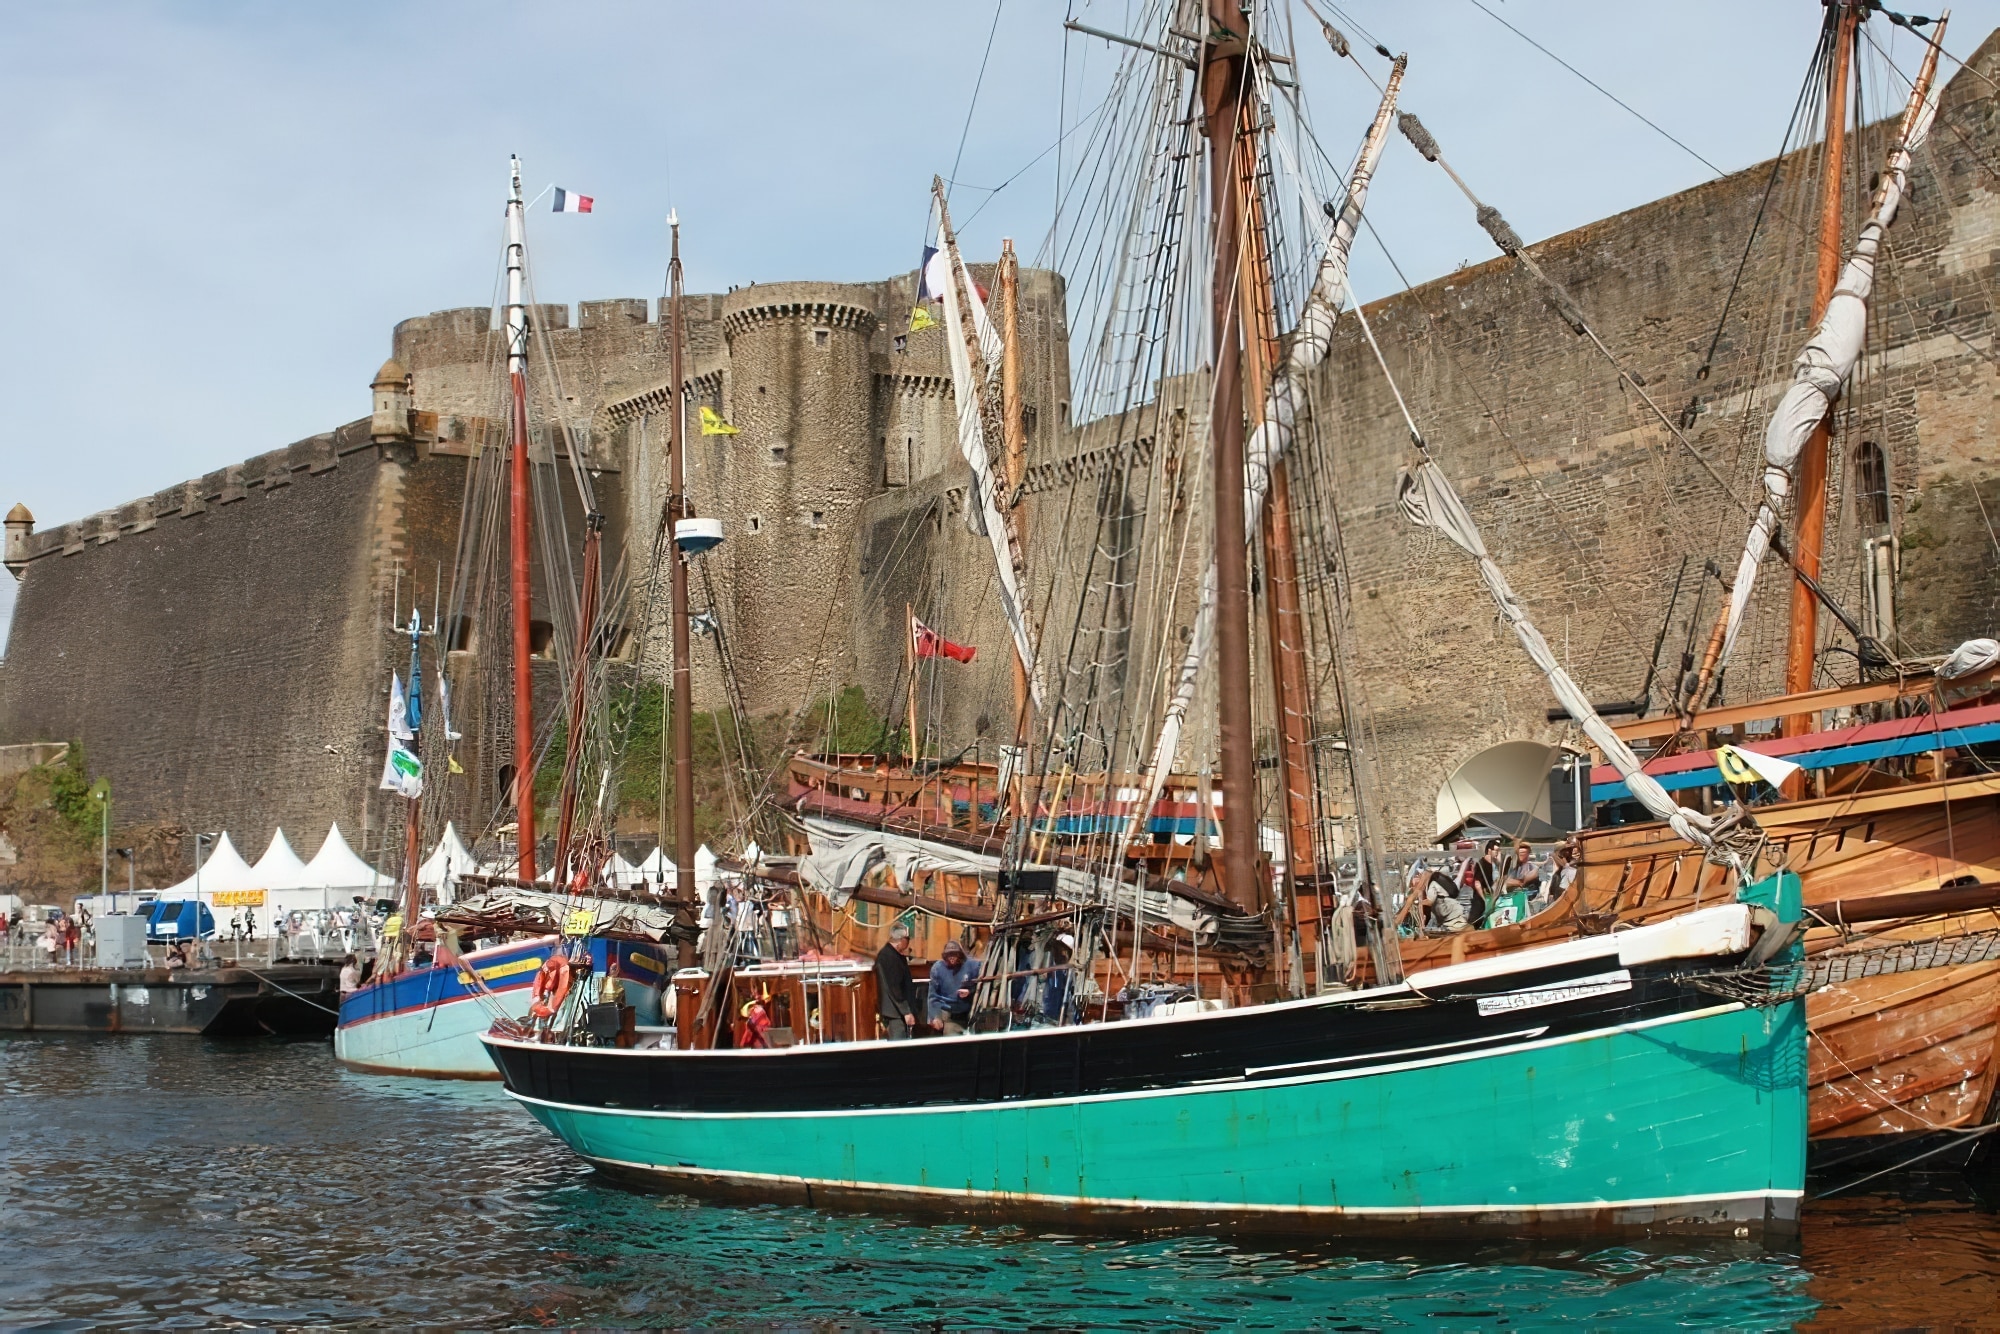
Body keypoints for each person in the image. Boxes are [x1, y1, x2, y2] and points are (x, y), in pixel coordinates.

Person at [874, 922, 918, 1040]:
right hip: (895, 1014)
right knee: (899, 1047)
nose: (908, 943)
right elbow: (894, 988)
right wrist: (906, 1012)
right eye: (907, 939)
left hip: (897, 1013)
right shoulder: (889, 958)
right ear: (902, 940)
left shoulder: (893, 955)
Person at [927, 939, 981, 1035]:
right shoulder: (938, 968)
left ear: (960, 955)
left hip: (971, 1014)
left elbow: (981, 987)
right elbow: (933, 996)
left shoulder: (972, 966)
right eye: (949, 955)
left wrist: (970, 991)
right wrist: (935, 1016)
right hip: (949, 1015)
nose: (952, 958)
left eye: (954, 954)